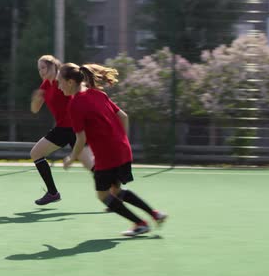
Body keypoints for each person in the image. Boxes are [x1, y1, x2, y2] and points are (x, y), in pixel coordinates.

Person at [59, 63, 167, 236]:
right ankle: (155, 214)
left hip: (107, 156)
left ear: (70, 82)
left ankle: (141, 223)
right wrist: (119, 139)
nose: (59, 86)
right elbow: (123, 116)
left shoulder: (74, 104)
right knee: (116, 191)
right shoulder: (98, 94)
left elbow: (81, 139)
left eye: (60, 82)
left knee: (103, 196)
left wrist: (71, 158)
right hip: (123, 150)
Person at [30, 55, 94, 205]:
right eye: (39, 69)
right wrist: (37, 98)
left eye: (43, 67)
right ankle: (53, 193)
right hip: (62, 129)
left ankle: (114, 192)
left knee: (90, 165)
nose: (41, 71)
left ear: (53, 66)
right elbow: (34, 110)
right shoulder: (45, 85)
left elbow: (80, 92)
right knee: (36, 153)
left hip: (75, 128)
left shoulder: (63, 81)